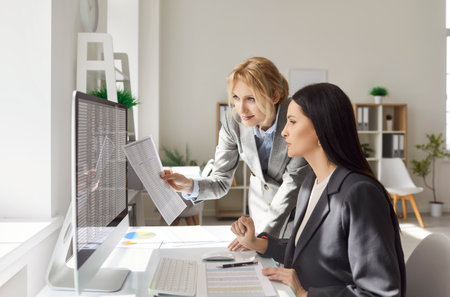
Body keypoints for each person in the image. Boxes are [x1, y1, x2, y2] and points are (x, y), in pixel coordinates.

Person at [229, 83, 406, 297]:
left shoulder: (360, 193)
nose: (284, 131)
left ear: (323, 128)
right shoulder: (311, 181)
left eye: (293, 122)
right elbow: (305, 249)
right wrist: (256, 243)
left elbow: (380, 292)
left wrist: (305, 294)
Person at [161, 57, 309, 237]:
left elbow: (292, 184)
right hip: (260, 212)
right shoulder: (233, 122)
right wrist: (190, 185)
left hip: (300, 212)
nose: (241, 109)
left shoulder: (298, 118)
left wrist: (263, 237)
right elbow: (221, 179)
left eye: (251, 99)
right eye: (236, 97)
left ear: (275, 96)